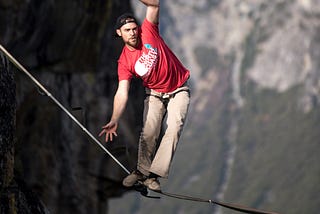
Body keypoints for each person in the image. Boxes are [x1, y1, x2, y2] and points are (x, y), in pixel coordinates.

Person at [99, 0, 190, 191]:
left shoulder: (148, 31)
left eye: (134, 28)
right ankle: (142, 172)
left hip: (179, 89)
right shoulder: (124, 61)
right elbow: (122, 92)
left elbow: (154, 4)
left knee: (174, 126)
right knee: (149, 132)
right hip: (155, 93)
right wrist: (115, 118)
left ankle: (154, 175)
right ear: (119, 33)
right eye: (127, 30)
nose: (132, 33)